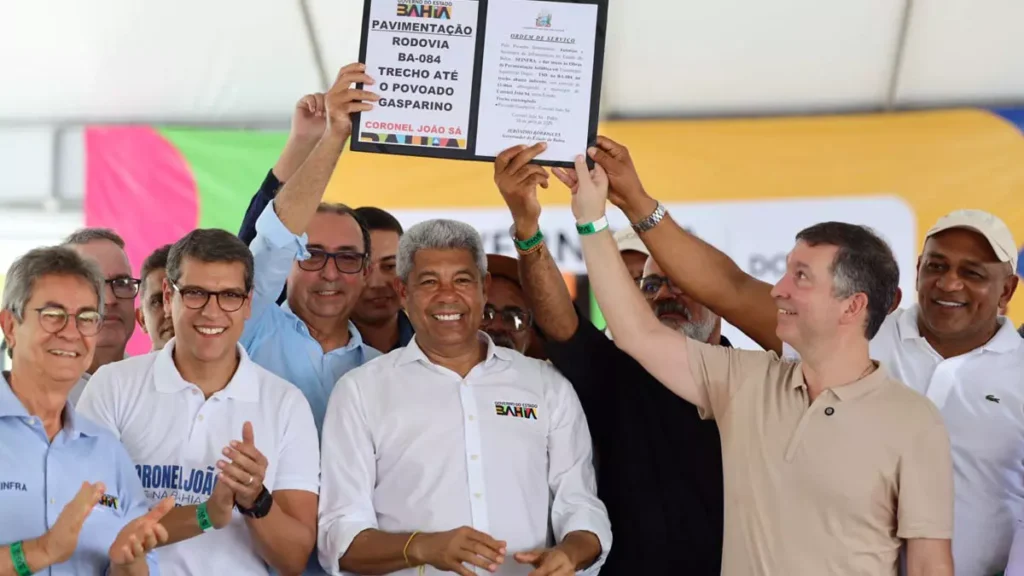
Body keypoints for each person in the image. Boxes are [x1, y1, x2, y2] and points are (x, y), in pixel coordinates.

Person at [599, 133, 1021, 576]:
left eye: (972, 273)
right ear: (916, 271)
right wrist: (636, 203)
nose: (949, 283)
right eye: (936, 266)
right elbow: (728, 287)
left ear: (1007, 290)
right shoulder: (848, 330)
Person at [317, 219, 612, 576]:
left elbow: (580, 503)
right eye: (429, 282)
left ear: (483, 288)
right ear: (402, 292)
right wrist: (423, 546)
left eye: (462, 280)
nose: (447, 296)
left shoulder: (545, 386)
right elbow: (339, 536)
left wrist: (571, 551)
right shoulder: (361, 391)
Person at [494, 143, 724, 575]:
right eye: (651, 286)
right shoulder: (618, 371)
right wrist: (527, 229)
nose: (665, 295)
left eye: (680, 284)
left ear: (717, 295)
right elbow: (560, 322)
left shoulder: (758, 380)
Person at [77, 229, 320, 576]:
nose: (212, 311)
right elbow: (91, 515)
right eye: (195, 293)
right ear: (167, 294)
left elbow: (294, 559)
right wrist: (205, 514)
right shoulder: (113, 386)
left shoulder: (286, 404)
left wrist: (255, 499)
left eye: (229, 296)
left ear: (248, 302)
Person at [0, 246, 171, 575]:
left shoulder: (107, 451)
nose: (71, 332)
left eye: (87, 318)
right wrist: (39, 552)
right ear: (9, 325)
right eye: (52, 315)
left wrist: (128, 560)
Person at [242, 64, 382, 433]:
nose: (330, 272)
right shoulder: (246, 324)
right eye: (313, 254)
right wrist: (333, 134)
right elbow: (272, 236)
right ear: (289, 258)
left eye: (348, 258)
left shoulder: (384, 369)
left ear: (367, 272)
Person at [63, 228, 139, 404]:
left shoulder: (157, 387)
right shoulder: (29, 399)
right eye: (92, 284)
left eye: (122, 283)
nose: (110, 300)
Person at [351, 206, 415, 352]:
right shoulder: (313, 350)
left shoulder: (435, 346)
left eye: (390, 266)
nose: (376, 283)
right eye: (363, 267)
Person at [481, 254, 538, 357]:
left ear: (530, 334)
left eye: (513, 317)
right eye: (484, 314)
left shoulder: (546, 373)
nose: (497, 326)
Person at [136, 244, 174, 352]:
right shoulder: (119, 369)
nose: (169, 311)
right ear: (141, 319)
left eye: (178, 298)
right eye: (158, 301)